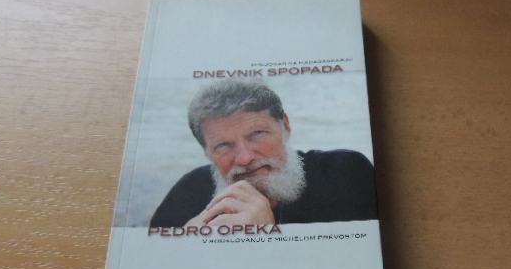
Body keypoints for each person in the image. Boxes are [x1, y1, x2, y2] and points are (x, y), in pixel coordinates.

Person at [150, 79, 377, 227]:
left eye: (257, 134)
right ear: (206, 152)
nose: (245, 158)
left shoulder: (346, 174)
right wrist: (186, 247)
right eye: (223, 146)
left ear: (285, 126)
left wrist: (268, 235)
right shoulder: (188, 193)